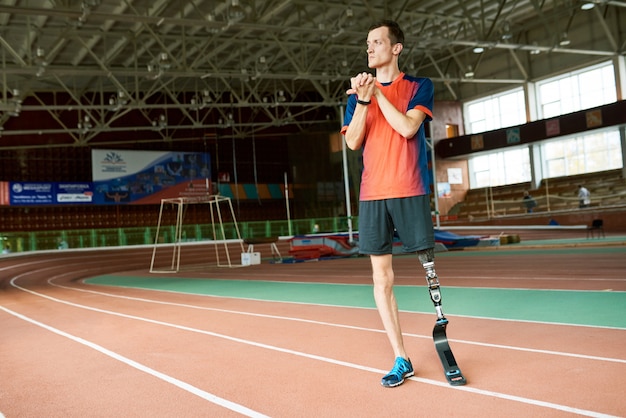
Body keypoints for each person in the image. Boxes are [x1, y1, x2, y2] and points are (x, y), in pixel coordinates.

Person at [341, 20, 439, 388]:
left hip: (410, 188)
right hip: (373, 193)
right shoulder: (357, 97)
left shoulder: (418, 86)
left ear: (396, 48)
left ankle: (442, 328)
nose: (370, 48)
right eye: (367, 43)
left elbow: (408, 128)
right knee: (381, 278)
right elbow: (352, 142)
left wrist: (379, 94)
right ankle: (401, 357)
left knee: (428, 267)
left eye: (377, 42)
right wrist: (364, 99)